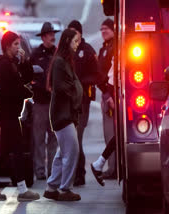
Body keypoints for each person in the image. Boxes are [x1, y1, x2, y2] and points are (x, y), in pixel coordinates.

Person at [0, 31, 40, 201]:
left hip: (10, 114)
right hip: (7, 115)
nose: (18, 48)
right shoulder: (4, 65)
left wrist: (25, 62)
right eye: (15, 44)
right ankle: (22, 190)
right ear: (7, 46)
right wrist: (25, 93)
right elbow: (3, 90)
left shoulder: (13, 63)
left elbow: (27, 78)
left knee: (5, 151)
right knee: (16, 151)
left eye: (19, 44)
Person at [43, 29, 82, 201]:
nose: (77, 44)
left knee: (62, 153)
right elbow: (60, 87)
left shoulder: (64, 61)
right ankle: (65, 189)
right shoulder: (60, 62)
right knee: (71, 151)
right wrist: (75, 92)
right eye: (75, 41)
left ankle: (52, 187)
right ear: (67, 41)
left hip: (65, 114)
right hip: (62, 115)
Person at [67, 20, 99, 186]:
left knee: (76, 138)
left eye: (75, 32)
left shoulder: (87, 51)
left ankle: (80, 173)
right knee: (68, 139)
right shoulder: (65, 51)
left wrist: (80, 82)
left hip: (82, 102)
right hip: (67, 103)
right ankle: (71, 173)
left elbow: (98, 75)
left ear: (80, 33)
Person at [30, 22, 59, 180]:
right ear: (43, 37)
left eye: (53, 34)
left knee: (54, 139)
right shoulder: (35, 54)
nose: (52, 37)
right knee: (39, 138)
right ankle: (40, 171)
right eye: (49, 35)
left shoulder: (57, 53)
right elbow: (29, 76)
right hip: (40, 103)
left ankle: (52, 171)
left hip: (54, 104)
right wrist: (41, 87)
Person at [91, 18, 117, 186]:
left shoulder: (115, 48)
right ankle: (108, 166)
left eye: (106, 29)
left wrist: (109, 94)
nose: (103, 31)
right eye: (101, 29)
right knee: (111, 134)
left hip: (111, 94)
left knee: (113, 133)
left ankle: (112, 168)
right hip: (107, 94)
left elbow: (111, 74)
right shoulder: (104, 48)